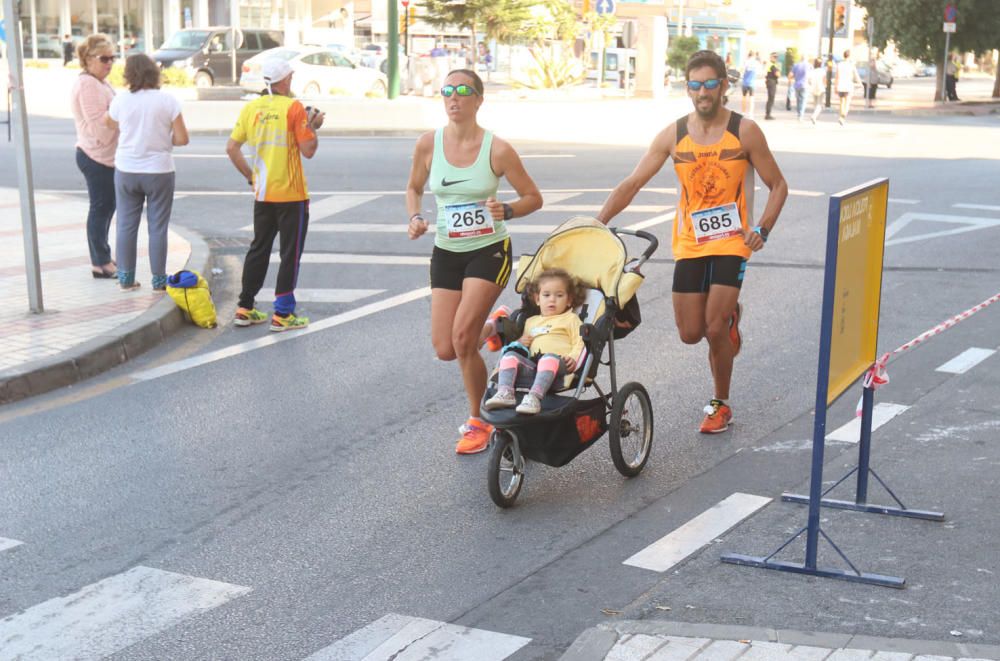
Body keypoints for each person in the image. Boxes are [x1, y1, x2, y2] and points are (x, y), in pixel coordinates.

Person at [596, 50, 788, 434]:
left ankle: (720, 404)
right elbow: (633, 183)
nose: (703, 92)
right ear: (688, 89)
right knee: (689, 333)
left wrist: (762, 229)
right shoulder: (674, 134)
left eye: (710, 84)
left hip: (733, 242)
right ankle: (731, 316)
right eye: (696, 85)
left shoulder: (745, 130)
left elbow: (778, 185)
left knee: (714, 329)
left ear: (724, 86)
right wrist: (596, 223)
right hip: (690, 242)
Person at [406, 69, 543, 454]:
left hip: (489, 252)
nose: (453, 98)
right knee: (445, 348)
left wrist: (509, 210)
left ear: (479, 100)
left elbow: (534, 196)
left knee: (463, 341)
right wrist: (415, 216)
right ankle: (498, 325)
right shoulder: (427, 144)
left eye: (463, 91)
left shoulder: (497, 149)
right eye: (446, 90)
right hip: (447, 251)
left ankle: (480, 421)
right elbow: (413, 187)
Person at [226, 58, 325, 331]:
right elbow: (309, 150)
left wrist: (250, 176)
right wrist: (313, 125)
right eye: (290, 78)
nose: (292, 82)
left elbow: (232, 148)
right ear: (285, 81)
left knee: (258, 249)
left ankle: (245, 307)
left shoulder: (251, 108)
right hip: (292, 195)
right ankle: (282, 313)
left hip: (263, 193)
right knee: (290, 254)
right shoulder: (293, 108)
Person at [106, 53, 189, 291]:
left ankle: (126, 279)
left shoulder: (121, 101)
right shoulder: (167, 101)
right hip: (159, 171)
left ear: (128, 74)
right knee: (158, 227)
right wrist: (164, 138)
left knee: (126, 224)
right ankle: (159, 281)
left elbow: (108, 123)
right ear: (154, 73)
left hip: (126, 170)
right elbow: (183, 138)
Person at [484, 268, 586, 415]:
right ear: (538, 299)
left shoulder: (571, 319)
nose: (552, 299)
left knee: (548, 358)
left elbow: (580, 341)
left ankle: (534, 397)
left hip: (559, 365)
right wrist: (520, 342)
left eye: (559, 295)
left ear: (569, 300)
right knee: (510, 355)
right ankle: (505, 392)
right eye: (546, 295)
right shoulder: (531, 322)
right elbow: (523, 350)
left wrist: (574, 358)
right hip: (533, 365)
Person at [70, 34, 119, 280]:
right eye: (104, 58)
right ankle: (99, 263)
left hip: (104, 157)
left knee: (107, 207)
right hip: (96, 155)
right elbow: (100, 129)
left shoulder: (99, 81)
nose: (110, 63)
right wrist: (120, 121)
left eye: (113, 57)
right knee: (101, 208)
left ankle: (103, 256)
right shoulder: (88, 84)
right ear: (89, 60)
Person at [834, 50, 861, 125]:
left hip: (841, 85)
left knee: (842, 102)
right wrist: (860, 83)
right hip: (848, 85)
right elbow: (856, 75)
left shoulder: (839, 65)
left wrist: (835, 86)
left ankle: (841, 116)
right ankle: (843, 116)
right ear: (849, 56)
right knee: (847, 102)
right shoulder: (851, 65)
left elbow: (837, 76)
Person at [739, 51, 758, 118]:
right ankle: (751, 114)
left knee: (744, 98)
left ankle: (743, 112)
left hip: (745, 82)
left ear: (748, 55)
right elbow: (758, 71)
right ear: (753, 56)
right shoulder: (756, 62)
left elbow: (742, 71)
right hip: (752, 83)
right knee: (752, 99)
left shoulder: (746, 62)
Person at [807, 58, 826, 124]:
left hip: (813, 88)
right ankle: (814, 116)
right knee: (819, 104)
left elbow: (809, 80)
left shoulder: (812, 71)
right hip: (821, 88)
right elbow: (824, 80)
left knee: (815, 104)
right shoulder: (822, 71)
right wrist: (825, 85)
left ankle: (814, 116)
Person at [791, 54, 809, 121]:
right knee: (803, 100)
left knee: (798, 100)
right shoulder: (808, 65)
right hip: (804, 85)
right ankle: (801, 115)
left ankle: (799, 114)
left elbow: (791, 74)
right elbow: (809, 75)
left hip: (797, 84)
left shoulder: (796, 65)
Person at [763, 52, 780, 120]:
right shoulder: (772, 65)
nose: (776, 58)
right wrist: (778, 72)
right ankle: (768, 115)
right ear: (771, 57)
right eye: (774, 57)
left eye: (776, 57)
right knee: (771, 98)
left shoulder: (771, 64)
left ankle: (768, 114)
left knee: (770, 98)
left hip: (769, 82)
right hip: (771, 82)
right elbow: (777, 74)